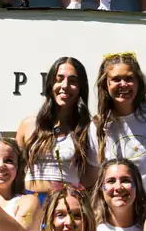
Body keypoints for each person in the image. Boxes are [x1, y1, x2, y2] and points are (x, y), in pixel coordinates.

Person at [92, 52, 146, 200]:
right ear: (105, 84)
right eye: (116, 79)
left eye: (129, 78)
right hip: (119, 212)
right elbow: (93, 178)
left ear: (138, 82)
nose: (123, 84)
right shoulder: (97, 127)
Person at [18, 55, 93, 195]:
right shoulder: (28, 125)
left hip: (66, 205)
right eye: (59, 79)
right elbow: (15, 170)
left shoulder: (88, 129)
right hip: (30, 202)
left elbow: (92, 177)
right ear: (51, 84)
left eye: (73, 81)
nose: (65, 85)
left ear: (80, 88)